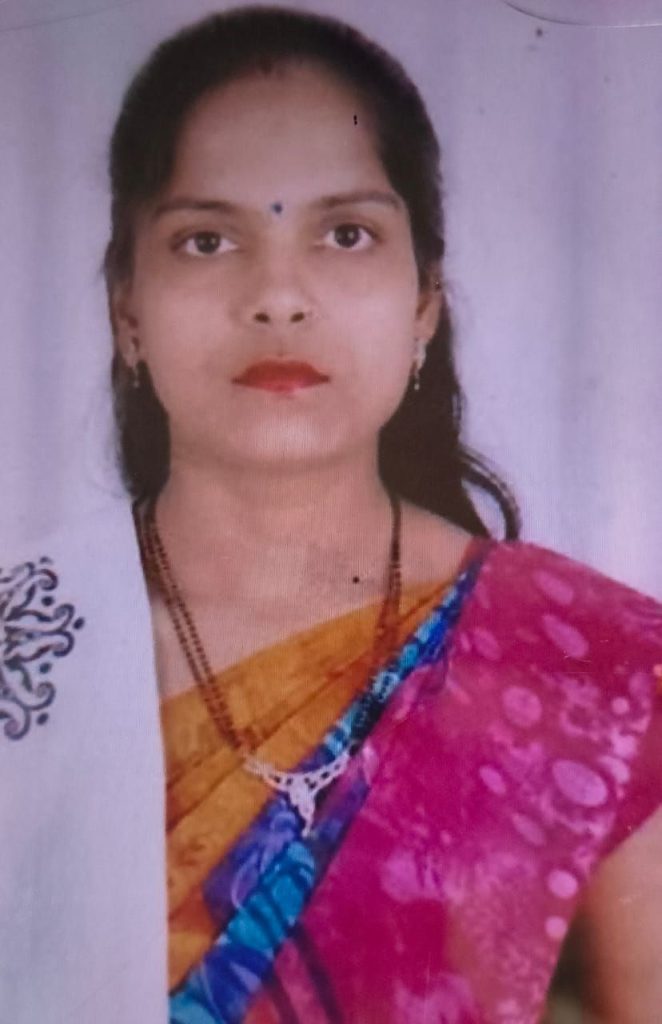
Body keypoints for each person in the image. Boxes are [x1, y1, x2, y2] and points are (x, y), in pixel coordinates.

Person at [1, 6, 661, 1023]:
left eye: (345, 234)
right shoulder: (25, 651)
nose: (278, 297)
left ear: (423, 303)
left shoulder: (598, 671)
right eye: (207, 239)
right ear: (127, 309)